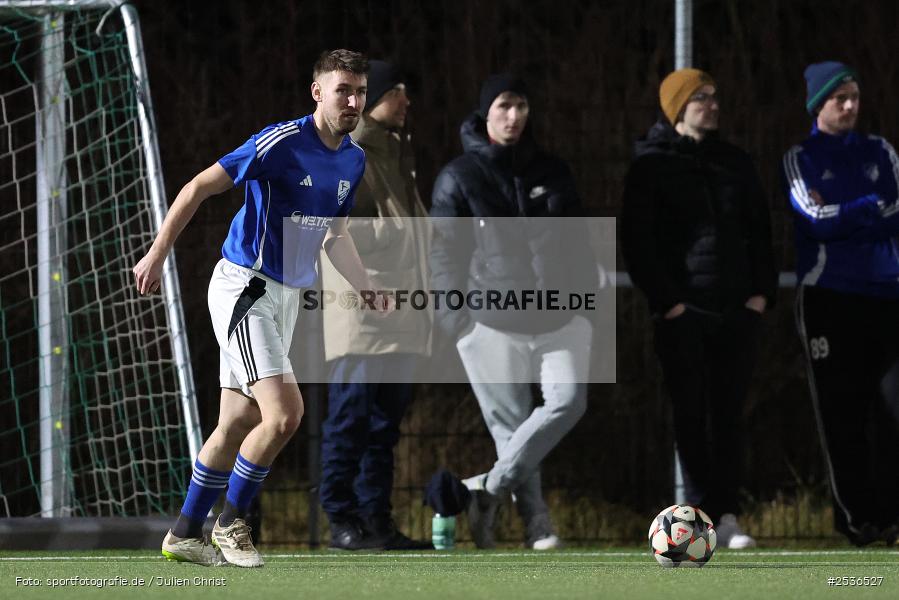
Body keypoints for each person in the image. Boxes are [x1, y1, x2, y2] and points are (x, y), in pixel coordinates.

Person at [132, 49, 384, 567]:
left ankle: (183, 533)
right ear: (318, 92)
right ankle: (231, 523)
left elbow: (335, 234)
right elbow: (200, 185)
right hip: (244, 288)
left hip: (284, 297)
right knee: (286, 414)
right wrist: (158, 252)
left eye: (360, 91)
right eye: (343, 90)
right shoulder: (281, 142)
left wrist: (365, 287)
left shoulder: (354, 158)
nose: (353, 100)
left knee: (239, 419)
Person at [430, 74, 597, 550]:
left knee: (568, 401)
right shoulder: (458, 176)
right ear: (486, 113)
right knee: (511, 431)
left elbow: (580, 242)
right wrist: (456, 322)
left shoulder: (554, 170)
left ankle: (486, 490)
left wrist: (584, 305)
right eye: (504, 105)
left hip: (558, 318)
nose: (515, 115)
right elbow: (443, 256)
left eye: (522, 105)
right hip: (489, 322)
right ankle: (537, 526)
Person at [621, 68, 777, 549]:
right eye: (700, 98)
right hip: (684, 313)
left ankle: (727, 514)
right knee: (691, 415)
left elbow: (761, 230)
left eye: (714, 96)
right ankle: (701, 514)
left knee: (729, 415)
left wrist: (759, 296)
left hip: (737, 309)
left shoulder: (735, 162)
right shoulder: (651, 165)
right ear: (677, 108)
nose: (711, 104)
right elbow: (637, 241)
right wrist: (668, 304)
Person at [783, 61, 899, 546]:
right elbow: (814, 219)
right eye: (839, 99)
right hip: (830, 297)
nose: (850, 106)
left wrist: (848, 214)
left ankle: (894, 515)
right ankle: (860, 522)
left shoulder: (880, 150)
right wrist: (863, 209)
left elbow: (895, 211)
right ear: (818, 105)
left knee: (893, 409)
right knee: (841, 416)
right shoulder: (802, 157)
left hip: (888, 295)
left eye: (854, 97)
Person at [318, 60, 433, 550]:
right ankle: (341, 518)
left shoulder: (397, 153)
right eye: (397, 92)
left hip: (402, 310)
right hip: (362, 312)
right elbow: (335, 233)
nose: (406, 101)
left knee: (384, 426)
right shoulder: (354, 152)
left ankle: (375, 521)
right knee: (351, 418)